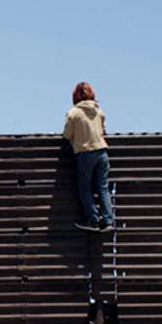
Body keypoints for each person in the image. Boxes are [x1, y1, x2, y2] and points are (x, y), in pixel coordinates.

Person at [62, 81, 113, 233]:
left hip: (85, 153)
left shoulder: (73, 113)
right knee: (103, 187)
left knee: (85, 188)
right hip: (102, 152)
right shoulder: (99, 111)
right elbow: (103, 130)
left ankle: (93, 220)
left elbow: (67, 134)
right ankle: (108, 220)